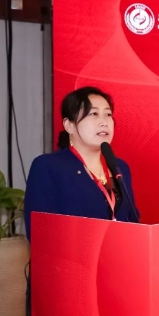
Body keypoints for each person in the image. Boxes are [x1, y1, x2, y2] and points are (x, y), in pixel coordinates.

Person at [23, 86, 139, 241]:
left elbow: (133, 221)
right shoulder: (48, 167)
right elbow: (40, 233)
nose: (104, 122)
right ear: (69, 125)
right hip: (72, 256)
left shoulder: (119, 167)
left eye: (108, 114)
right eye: (94, 114)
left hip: (120, 254)